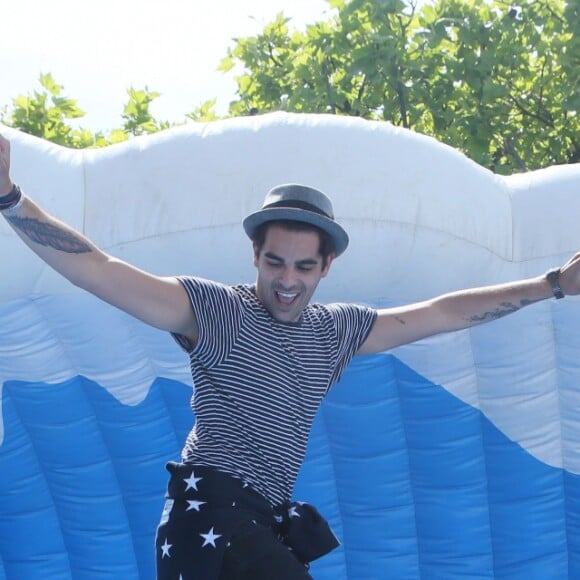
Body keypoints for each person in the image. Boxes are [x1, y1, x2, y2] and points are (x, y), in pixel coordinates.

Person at [1, 132, 579, 580]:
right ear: (255, 254)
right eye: (275, 262)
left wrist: (551, 283)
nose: (287, 280)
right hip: (209, 518)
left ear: (327, 267)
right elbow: (98, 270)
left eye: (304, 267)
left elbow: (444, 313)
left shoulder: (336, 331)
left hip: (260, 526)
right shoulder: (214, 310)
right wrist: (9, 197)